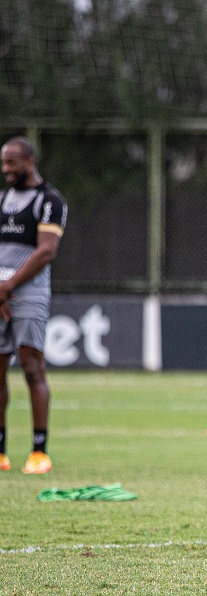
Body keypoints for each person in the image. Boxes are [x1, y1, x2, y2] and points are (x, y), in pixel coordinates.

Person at [0, 137, 67, 474]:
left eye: (12, 162)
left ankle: (39, 451)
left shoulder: (50, 201)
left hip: (28, 293)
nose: (6, 169)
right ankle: (1, 451)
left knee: (31, 368)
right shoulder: (2, 200)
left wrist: (9, 285)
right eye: (3, 163)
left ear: (30, 160)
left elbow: (46, 251)